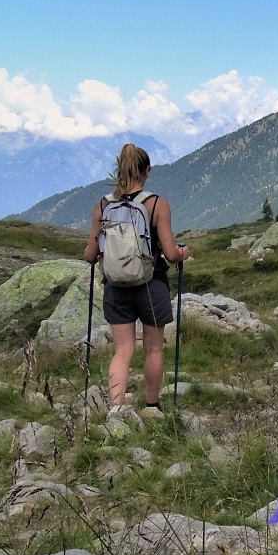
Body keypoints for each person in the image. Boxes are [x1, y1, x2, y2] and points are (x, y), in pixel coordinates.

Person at [83, 143, 191, 416]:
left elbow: (89, 254)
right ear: (147, 171)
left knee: (123, 350)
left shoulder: (102, 205)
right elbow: (169, 253)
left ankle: (115, 410)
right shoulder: (156, 204)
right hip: (150, 283)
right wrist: (182, 253)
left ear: (119, 170)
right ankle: (152, 407)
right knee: (153, 349)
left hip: (116, 287)